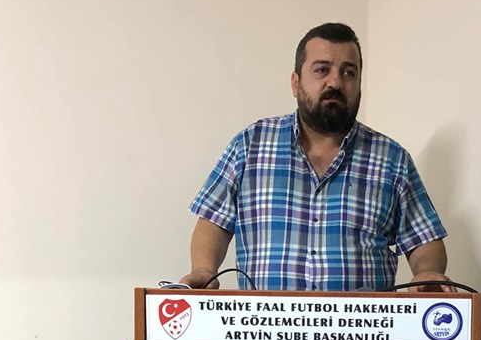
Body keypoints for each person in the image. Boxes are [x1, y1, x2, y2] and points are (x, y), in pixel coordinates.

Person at [180, 22, 450, 292]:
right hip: (265, 319)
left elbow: (423, 238)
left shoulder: (391, 158)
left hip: (363, 320)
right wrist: (203, 269)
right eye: (322, 70)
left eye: (348, 72)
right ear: (296, 83)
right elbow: (214, 221)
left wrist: (427, 272)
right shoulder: (250, 146)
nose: (335, 82)